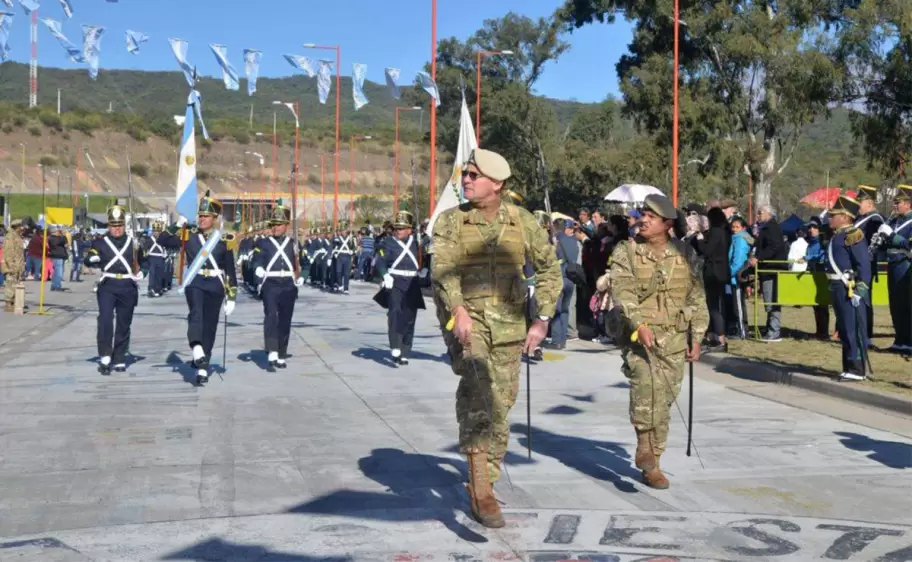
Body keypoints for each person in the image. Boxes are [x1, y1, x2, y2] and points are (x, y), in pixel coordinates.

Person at [431, 148, 562, 528]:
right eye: (465, 174)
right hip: (467, 324)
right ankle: (482, 489)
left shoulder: (523, 222)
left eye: (474, 175)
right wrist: (457, 311)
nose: (466, 180)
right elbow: (443, 271)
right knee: (478, 391)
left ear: (498, 184)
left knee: (501, 404)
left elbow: (551, 270)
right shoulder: (451, 222)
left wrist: (542, 320)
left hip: (509, 326)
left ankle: (484, 475)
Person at [608, 193, 708, 490]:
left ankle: (655, 456)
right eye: (643, 215)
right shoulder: (626, 251)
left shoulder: (685, 254)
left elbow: (697, 297)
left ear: (666, 224)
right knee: (645, 388)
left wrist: (698, 336)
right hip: (640, 337)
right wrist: (640, 324)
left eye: (651, 217)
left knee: (664, 400)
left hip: (675, 338)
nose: (643, 220)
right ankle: (645, 448)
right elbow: (623, 292)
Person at [182, 191, 239, 386]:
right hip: (195, 283)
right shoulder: (188, 237)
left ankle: (203, 366)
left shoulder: (224, 240)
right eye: (200, 215)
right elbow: (164, 240)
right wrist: (177, 223)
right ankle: (196, 348)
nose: (202, 219)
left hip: (215, 286)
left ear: (214, 218)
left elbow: (230, 270)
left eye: (206, 216)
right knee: (196, 314)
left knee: (210, 327)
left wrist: (232, 297)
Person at [83, 205, 144, 374]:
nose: (116, 229)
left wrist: (142, 273)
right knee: (105, 320)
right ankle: (105, 355)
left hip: (127, 285)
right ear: (108, 226)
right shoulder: (100, 242)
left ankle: (119, 357)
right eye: (113, 226)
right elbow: (89, 258)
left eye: (119, 226)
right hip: (108, 285)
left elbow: (144, 262)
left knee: (124, 324)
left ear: (124, 225)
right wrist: (92, 258)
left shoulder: (134, 243)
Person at [824, 195, 872, 381]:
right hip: (836, 286)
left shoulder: (854, 235)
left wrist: (861, 290)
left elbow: (863, 266)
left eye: (833, 215)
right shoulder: (838, 236)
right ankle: (848, 365)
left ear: (845, 217)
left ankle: (857, 368)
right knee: (844, 327)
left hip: (849, 288)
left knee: (853, 328)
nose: (830, 218)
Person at [252, 204, 304, 370]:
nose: (275, 227)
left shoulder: (293, 244)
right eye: (273, 224)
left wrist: (303, 276)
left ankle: (281, 353)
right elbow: (257, 259)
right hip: (270, 284)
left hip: (289, 285)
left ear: (286, 226)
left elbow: (306, 262)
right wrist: (258, 268)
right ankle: (272, 349)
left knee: (285, 320)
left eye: (279, 224)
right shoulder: (263, 242)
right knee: (271, 315)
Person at [376, 210, 426, 365]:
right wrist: (385, 275)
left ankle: (405, 351)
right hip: (395, 280)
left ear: (409, 229)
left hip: (412, 281)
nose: (398, 231)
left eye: (402, 228)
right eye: (396, 228)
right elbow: (380, 261)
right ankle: (395, 346)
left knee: (410, 317)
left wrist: (426, 268)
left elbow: (428, 256)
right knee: (395, 313)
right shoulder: (387, 242)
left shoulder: (417, 242)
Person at [878, 184, 912, 352]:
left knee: (906, 303)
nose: (895, 205)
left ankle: (909, 341)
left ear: (908, 204)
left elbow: (908, 244)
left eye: (899, 202)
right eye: (895, 202)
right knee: (895, 304)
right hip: (891, 264)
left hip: (905, 265)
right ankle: (899, 339)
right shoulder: (893, 220)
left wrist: (892, 236)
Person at [2, 219, 26, 312]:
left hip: (18, 265)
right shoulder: (10, 237)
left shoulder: (18, 236)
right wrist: (11, 266)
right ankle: (8, 303)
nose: (22, 228)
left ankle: (14, 302)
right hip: (12, 265)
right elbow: (8, 253)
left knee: (15, 283)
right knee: (10, 284)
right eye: (21, 227)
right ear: (17, 227)